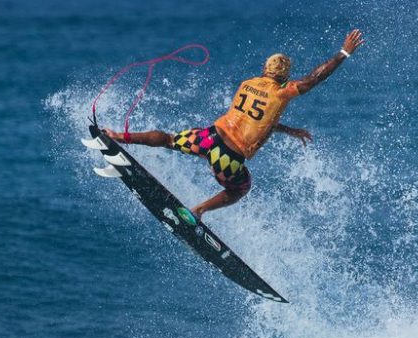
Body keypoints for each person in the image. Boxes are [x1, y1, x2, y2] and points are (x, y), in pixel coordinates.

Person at [103, 29, 365, 221]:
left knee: (170, 139)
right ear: (285, 77)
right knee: (239, 189)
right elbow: (313, 79)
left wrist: (288, 130)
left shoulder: (248, 84)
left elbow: (259, 119)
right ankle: (198, 211)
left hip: (209, 137)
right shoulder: (282, 92)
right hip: (228, 156)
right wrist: (343, 53)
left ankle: (118, 136)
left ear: (265, 69)